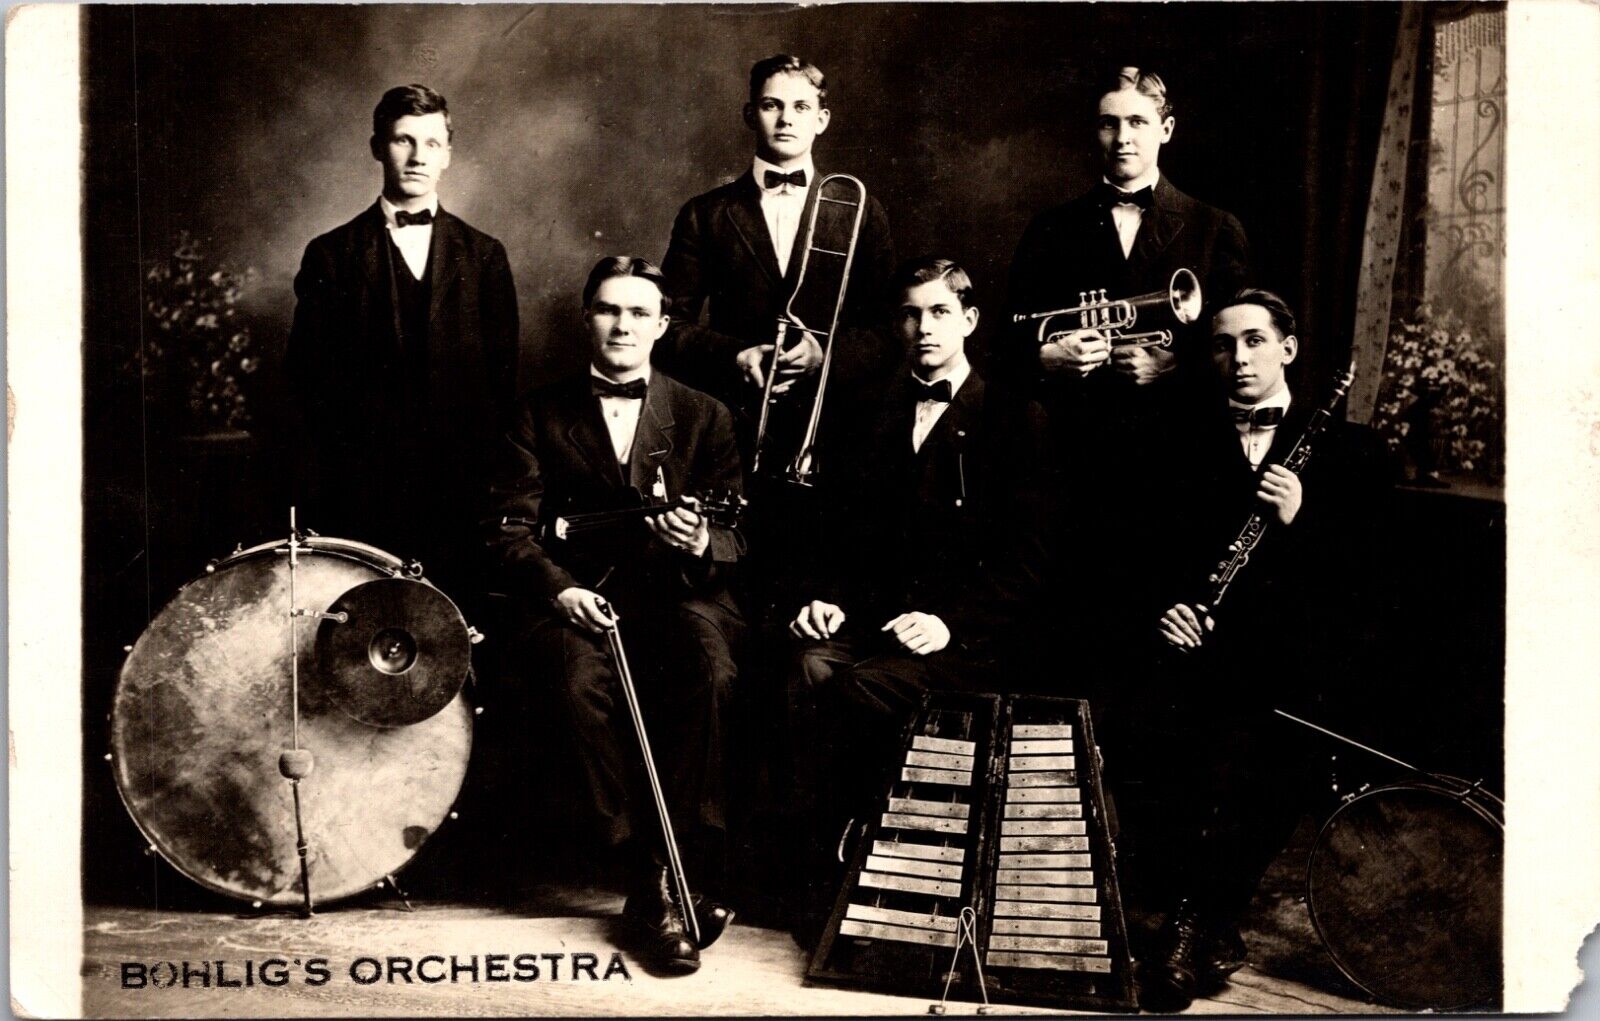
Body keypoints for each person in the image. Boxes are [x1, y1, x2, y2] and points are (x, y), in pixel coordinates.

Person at [1129, 289, 1387, 1011]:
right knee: (1154, 728)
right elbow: (1143, 552)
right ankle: (1213, 928)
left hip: (1295, 667)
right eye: (1222, 344)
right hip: (1197, 648)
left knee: (1246, 748)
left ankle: (1187, 926)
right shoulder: (1177, 435)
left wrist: (1300, 517)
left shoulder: (1351, 450)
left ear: (1287, 348)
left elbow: (1367, 586)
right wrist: (1167, 607)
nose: (1237, 358)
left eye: (1253, 341)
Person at [485, 257, 744, 975]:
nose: (622, 325)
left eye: (638, 312)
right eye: (607, 310)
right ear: (586, 318)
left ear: (663, 325)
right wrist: (560, 589)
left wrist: (699, 539)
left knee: (712, 669)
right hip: (575, 596)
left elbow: (738, 534)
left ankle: (670, 865)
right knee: (572, 681)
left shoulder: (706, 413)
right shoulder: (537, 412)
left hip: (679, 594)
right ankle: (646, 874)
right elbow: (507, 531)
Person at [782, 258, 1052, 933]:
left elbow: (1028, 560)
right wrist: (826, 597)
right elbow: (842, 535)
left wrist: (949, 622)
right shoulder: (871, 411)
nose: (923, 327)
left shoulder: (1016, 417)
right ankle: (815, 869)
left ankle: (855, 862)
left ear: (968, 319)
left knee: (856, 687)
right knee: (804, 663)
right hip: (880, 623)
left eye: (938, 312)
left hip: (970, 640)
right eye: (910, 313)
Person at [1003, 66, 1252, 675]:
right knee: (1075, 641)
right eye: (1110, 123)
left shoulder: (1215, 227)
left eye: (1138, 122)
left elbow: (1245, 351)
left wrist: (1175, 367)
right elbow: (1004, 345)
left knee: (1159, 649)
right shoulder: (1052, 227)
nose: (1124, 137)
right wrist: (1045, 357)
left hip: (1175, 468)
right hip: (1074, 464)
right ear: (1096, 132)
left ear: (1165, 129)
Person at [286, 84, 520, 595]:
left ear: (448, 155)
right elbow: (306, 386)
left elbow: (503, 389)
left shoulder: (484, 256)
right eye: (403, 140)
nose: (417, 157)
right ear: (377, 147)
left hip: (460, 489)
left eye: (432, 143)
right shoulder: (331, 254)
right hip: (360, 489)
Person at [657, 53, 897, 472]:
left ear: (822, 119)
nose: (786, 119)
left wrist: (824, 355)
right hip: (735, 422)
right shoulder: (705, 213)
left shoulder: (860, 208)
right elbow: (667, 325)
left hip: (837, 430)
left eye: (801, 107)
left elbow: (889, 327)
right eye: (772, 105)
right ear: (751, 115)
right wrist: (736, 355)